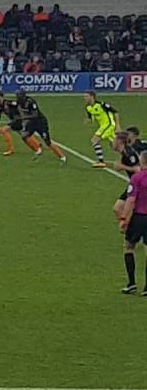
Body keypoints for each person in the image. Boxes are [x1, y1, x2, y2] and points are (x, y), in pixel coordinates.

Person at [117, 161, 147, 293]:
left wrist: (124, 218)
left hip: (139, 217)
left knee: (129, 246)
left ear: (143, 161)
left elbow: (130, 200)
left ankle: (132, 284)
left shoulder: (137, 177)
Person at [15, 89, 66, 162]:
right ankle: (37, 150)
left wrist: (24, 117)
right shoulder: (18, 103)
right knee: (24, 136)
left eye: (19, 96)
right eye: (17, 96)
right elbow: (20, 111)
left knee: (47, 142)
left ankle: (62, 157)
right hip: (31, 123)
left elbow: (35, 115)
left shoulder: (31, 101)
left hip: (40, 123)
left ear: (23, 95)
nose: (18, 97)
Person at [84, 91, 121, 168]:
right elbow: (91, 118)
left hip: (109, 125)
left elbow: (115, 112)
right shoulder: (88, 107)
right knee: (116, 144)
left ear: (92, 97)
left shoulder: (102, 104)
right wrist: (88, 121)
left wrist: (117, 126)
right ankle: (133, 157)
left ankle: (101, 162)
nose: (85, 98)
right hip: (103, 126)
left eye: (86, 96)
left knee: (94, 140)